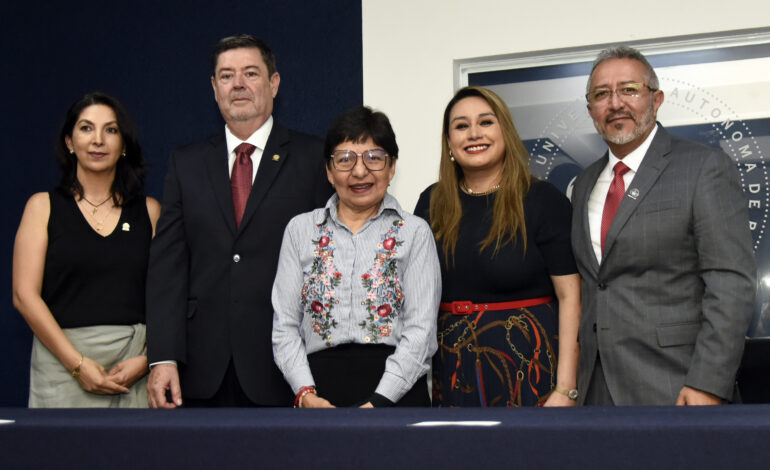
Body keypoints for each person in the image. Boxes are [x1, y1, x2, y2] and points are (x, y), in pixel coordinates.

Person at [145, 35, 333, 408]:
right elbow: (168, 265)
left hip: (286, 368)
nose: (239, 84)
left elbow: (329, 261)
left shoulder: (314, 157)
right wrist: (163, 356)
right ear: (215, 89)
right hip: (199, 369)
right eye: (227, 76)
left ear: (274, 83)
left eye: (251, 73)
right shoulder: (187, 163)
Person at [571, 46, 756, 406]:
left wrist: (709, 382)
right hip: (594, 391)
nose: (615, 103)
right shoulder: (583, 184)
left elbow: (730, 282)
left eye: (629, 89)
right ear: (591, 110)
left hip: (677, 385)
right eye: (601, 94)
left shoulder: (704, 168)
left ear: (656, 99)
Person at [414, 86, 581, 407]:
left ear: (506, 130)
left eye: (486, 122)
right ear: (449, 143)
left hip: (529, 370)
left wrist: (566, 388)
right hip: (452, 373)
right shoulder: (431, 202)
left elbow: (571, 296)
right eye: (461, 126)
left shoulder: (543, 200)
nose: (474, 133)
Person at [272, 106, 440, 407]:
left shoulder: (414, 232)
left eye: (374, 157)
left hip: (397, 396)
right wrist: (306, 393)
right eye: (345, 159)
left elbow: (421, 331)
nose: (359, 171)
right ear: (328, 169)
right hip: (318, 394)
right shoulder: (300, 230)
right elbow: (284, 326)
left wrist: (380, 401)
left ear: (392, 167)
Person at [12, 92, 160, 407]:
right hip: (62, 366)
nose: (97, 140)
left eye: (111, 130)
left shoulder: (150, 212)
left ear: (123, 145)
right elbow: (24, 296)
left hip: (133, 369)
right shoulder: (42, 207)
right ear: (69, 141)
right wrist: (77, 364)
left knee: (137, 458)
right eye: (86, 128)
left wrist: (149, 359)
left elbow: (170, 296)